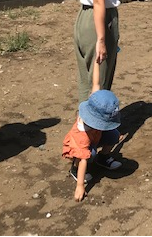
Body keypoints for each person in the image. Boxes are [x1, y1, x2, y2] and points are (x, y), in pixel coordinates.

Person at [62, 62, 122, 202]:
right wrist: (80, 186)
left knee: (114, 134)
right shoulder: (82, 133)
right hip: (80, 146)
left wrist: (97, 62)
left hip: (96, 136)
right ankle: (75, 170)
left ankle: (103, 157)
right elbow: (84, 159)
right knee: (89, 156)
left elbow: (96, 83)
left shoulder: (95, 102)